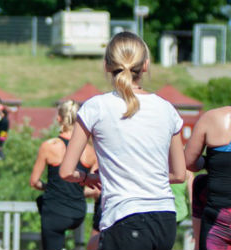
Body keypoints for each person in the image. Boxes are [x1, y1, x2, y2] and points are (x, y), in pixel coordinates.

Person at [59, 31, 186, 250]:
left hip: (124, 216)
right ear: (145, 65)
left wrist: (87, 178)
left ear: (107, 66)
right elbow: (179, 174)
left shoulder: (95, 107)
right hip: (165, 217)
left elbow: (66, 171)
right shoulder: (168, 109)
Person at [184, 61, 231, 250]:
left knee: (199, 184)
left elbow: (189, 162)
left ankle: (198, 245)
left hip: (225, 220)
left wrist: (208, 160)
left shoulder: (215, 118)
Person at [29, 100, 98, 250]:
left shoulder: (49, 146)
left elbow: (34, 182)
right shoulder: (90, 151)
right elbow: (95, 189)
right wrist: (76, 189)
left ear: (59, 119)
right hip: (78, 212)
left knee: (45, 205)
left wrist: (51, 187)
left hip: (55, 211)